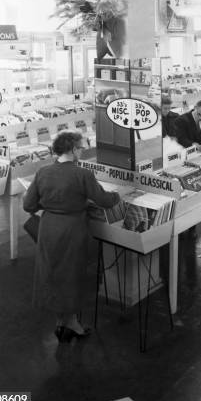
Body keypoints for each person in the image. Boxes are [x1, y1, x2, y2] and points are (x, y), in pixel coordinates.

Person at [23, 131, 120, 343]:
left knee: (53, 275)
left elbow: (28, 205)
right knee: (72, 277)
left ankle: (61, 322)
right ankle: (73, 323)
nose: (83, 150)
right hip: (72, 230)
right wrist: (119, 194)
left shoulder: (42, 172)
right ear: (73, 150)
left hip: (48, 229)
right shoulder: (82, 174)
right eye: (81, 147)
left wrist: (50, 206)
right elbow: (103, 200)